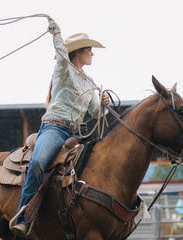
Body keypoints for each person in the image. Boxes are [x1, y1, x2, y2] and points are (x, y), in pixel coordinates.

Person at [10, 19, 110, 237]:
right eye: (89, 50)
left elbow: (95, 112)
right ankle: (23, 217)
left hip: (76, 134)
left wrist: (103, 104)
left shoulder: (89, 81)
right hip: (54, 129)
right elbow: (62, 55)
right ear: (78, 53)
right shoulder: (64, 70)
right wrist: (57, 35)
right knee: (37, 162)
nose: (92, 54)